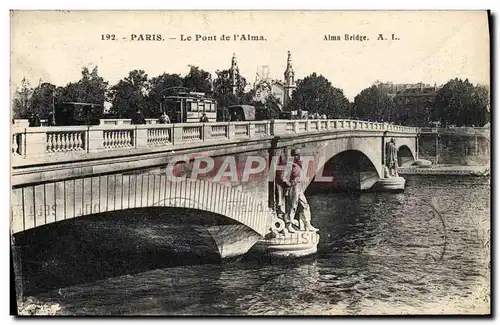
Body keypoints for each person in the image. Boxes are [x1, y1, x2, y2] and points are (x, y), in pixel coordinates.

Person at [281, 148, 319, 233]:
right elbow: (282, 177)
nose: (298, 157)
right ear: (293, 156)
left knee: (305, 205)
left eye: (298, 155)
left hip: (299, 187)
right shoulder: (290, 165)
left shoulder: (299, 165)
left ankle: (307, 224)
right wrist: (289, 184)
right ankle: (288, 225)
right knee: (292, 206)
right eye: (296, 155)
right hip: (293, 187)